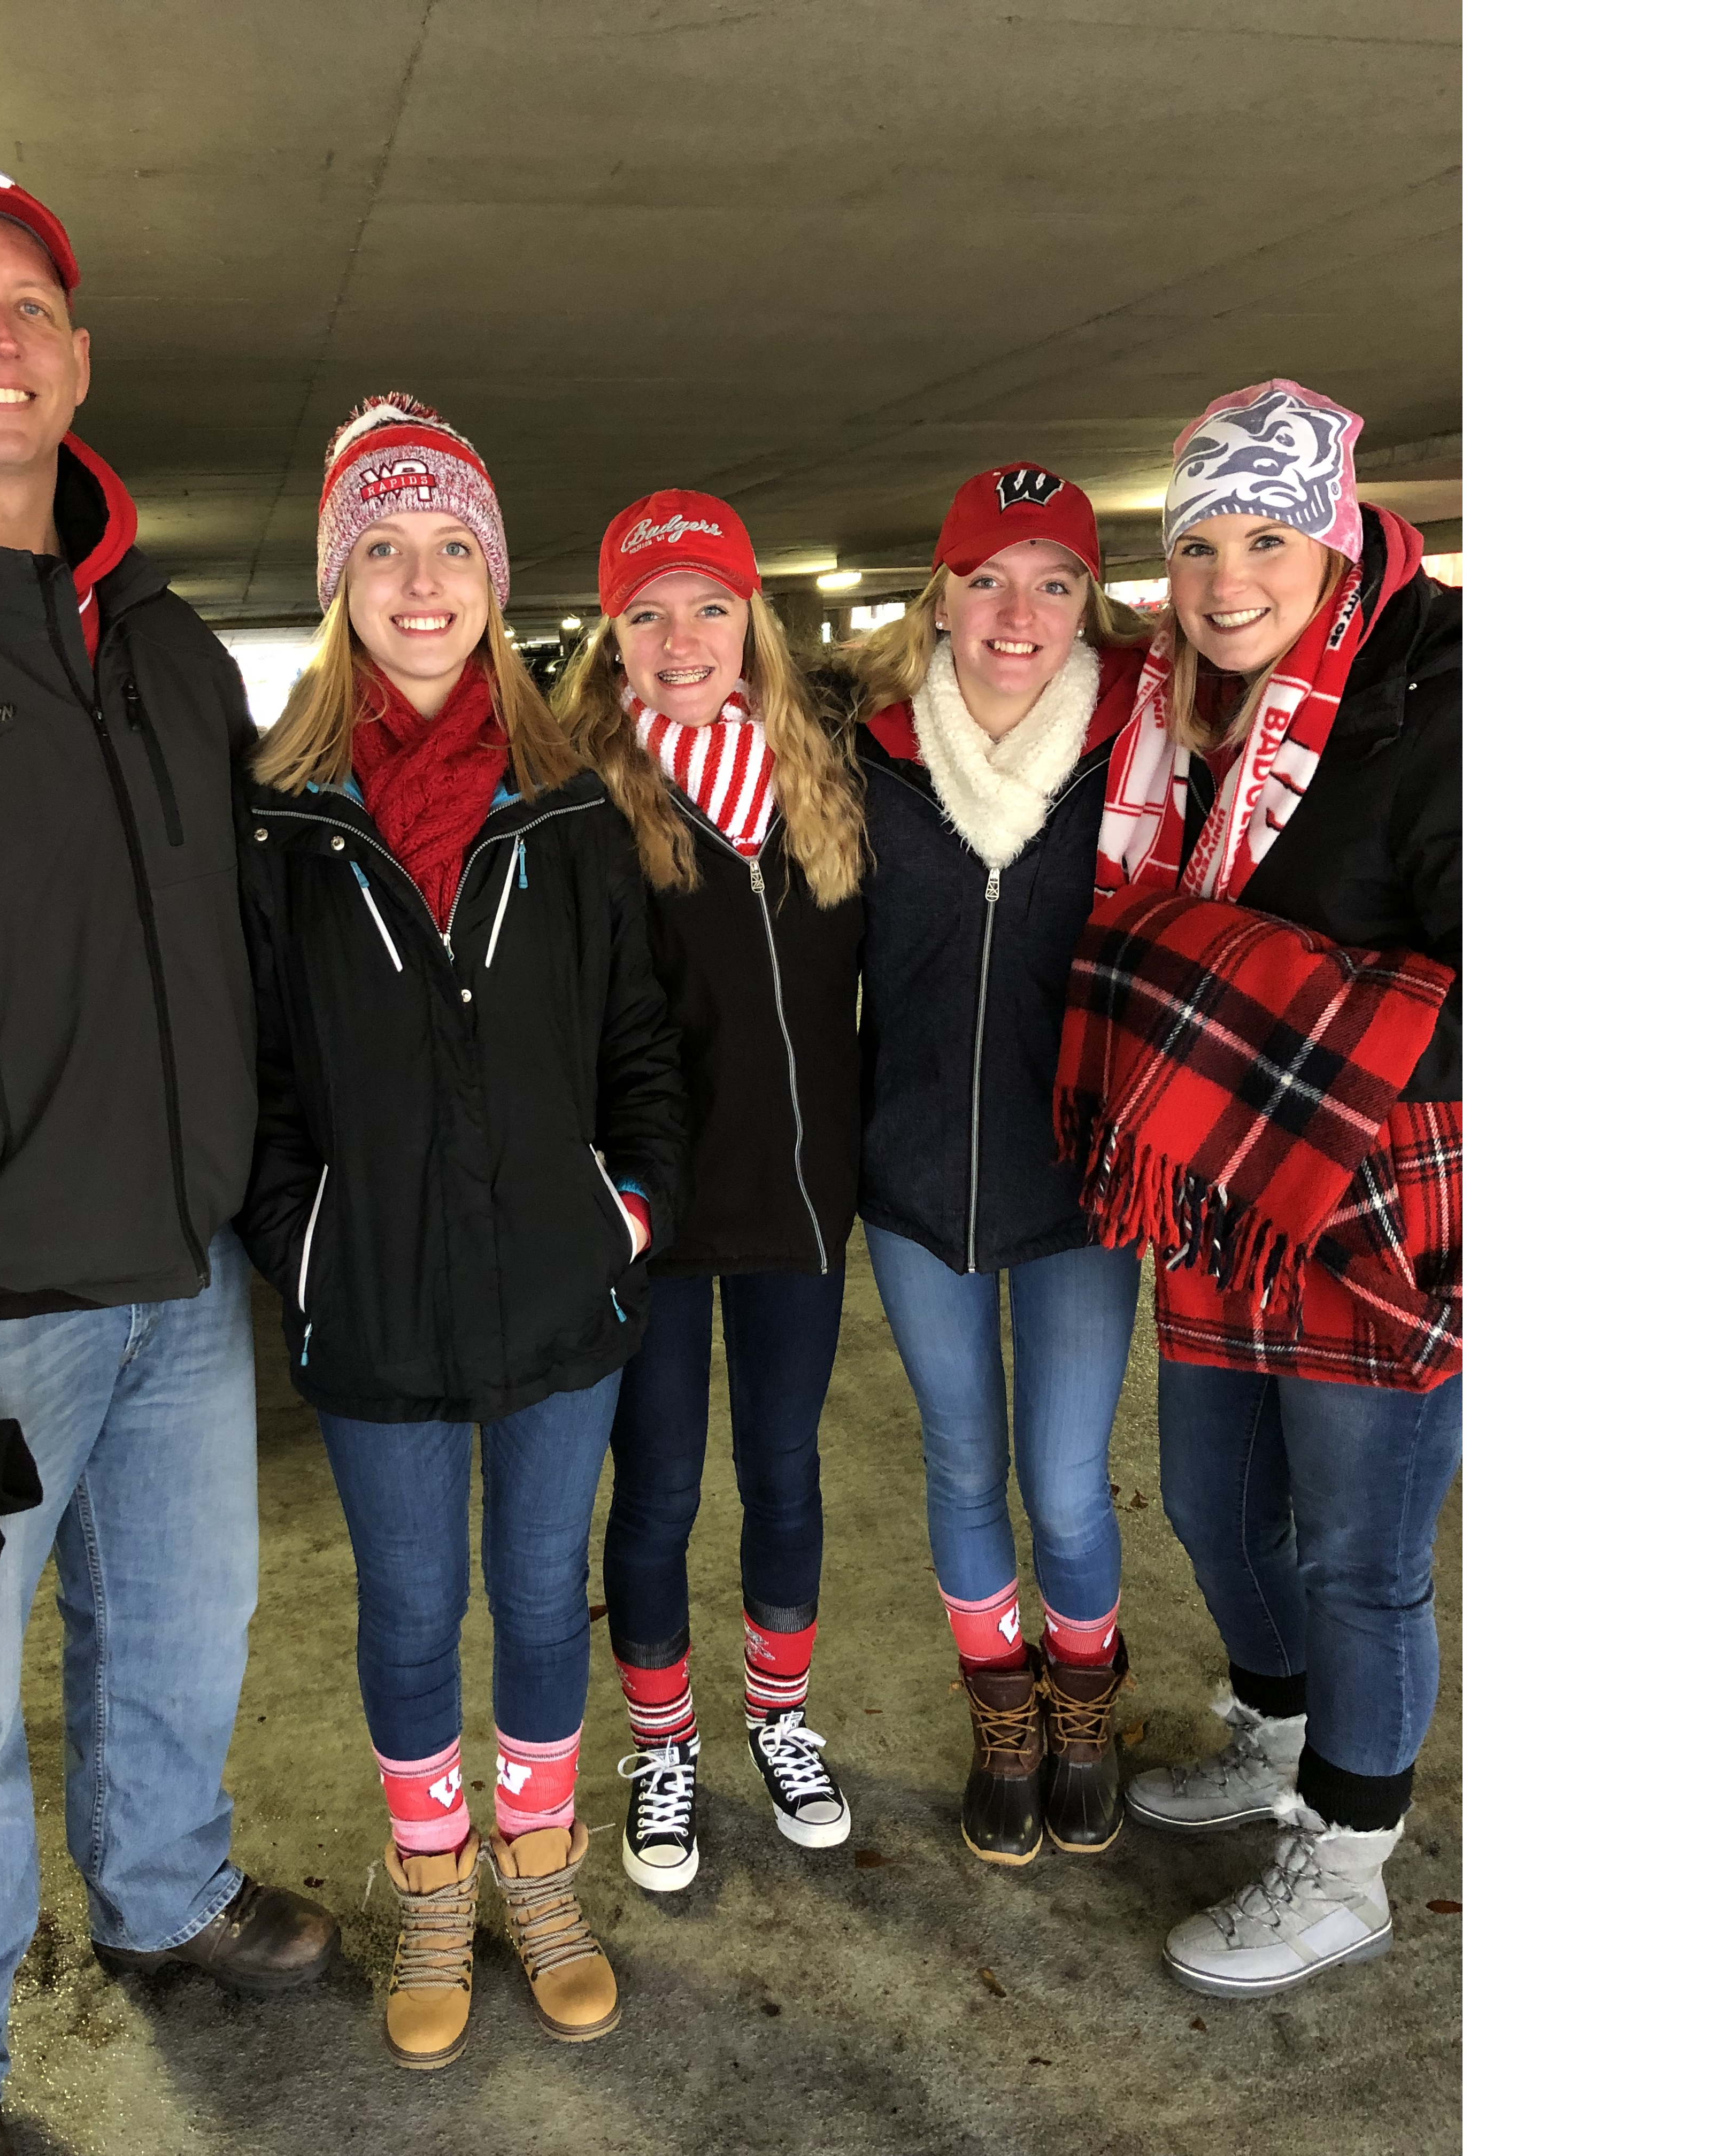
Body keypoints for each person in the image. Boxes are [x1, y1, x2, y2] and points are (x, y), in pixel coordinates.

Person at [0, 163, 335, 2156]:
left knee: (188, 1626)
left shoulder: (165, 646)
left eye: (31, 304)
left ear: (77, 358)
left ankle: (163, 1893)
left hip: (178, 1267)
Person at [237, 396, 688, 2068]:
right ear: (340, 580)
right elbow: (258, 1076)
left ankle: (542, 1874)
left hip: (559, 1290)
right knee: (413, 1608)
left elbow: (639, 1044)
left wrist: (624, 1214)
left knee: (544, 1596)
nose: (420, 583)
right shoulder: (282, 820)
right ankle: (436, 1888)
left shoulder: (570, 805)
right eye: (383, 548)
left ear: (495, 583)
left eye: (450, 549)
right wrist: (306, 1247)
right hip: (374, 1308)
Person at [1060, 379, 1462, 1997]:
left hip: (1376, 1191)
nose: (1229, 580)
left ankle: (1347, 1862)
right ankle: (1280, 1729)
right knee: (1218, 1503)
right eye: (1199, 544)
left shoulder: (1445, 686)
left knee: (1363, 1554)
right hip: (1232, 1174)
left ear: (1336, 538)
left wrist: (1234, 982)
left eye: (1267, 540)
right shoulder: (1182, 705)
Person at [553, 491, 868, 1892]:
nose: (682, 641)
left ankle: (780, 1718)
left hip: (798, 1201)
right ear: (614, 637)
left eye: (710, 609)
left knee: (786, 1471)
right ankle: (665, 1745)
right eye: (649, 615)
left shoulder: (825, 783)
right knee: (663, 1483)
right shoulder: (583, 801)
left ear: (754, 626)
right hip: (661, 1214)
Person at [840, 465, 1151, 1867]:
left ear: (1091, 603)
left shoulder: (1144, 751)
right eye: (988, 581)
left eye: (1055, 583)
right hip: (916, 1180)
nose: (1018, 615)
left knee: (1068, 1484)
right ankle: (1003, 1721)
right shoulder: (870, 755)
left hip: (1083, 1180)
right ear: (942, 596)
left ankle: (1084, 1712)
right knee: (965, 1468)